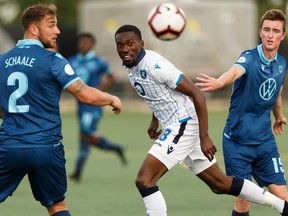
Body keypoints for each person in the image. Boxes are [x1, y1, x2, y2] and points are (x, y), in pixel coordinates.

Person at [114, 24, 288, 216]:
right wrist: (155, 120)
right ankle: (281, 205)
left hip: (183, 124)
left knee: (144, 180)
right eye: (120, 45)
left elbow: (197, 94)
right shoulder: (132, 67)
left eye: (130, 44)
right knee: (219, 184)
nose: (125, 49)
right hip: (178, 125)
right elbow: (158, 94)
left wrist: (204, 136)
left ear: (141, 43)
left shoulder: (155, 65)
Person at [0, 4, 122, 216]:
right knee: (57, 207)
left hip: (9, 146)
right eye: (52, 25)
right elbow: (85, 95)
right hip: (46, 147)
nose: (57, 31)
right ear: (34, 29)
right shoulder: (52, 59)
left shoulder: (2, 61)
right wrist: (111, 98)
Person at [195, 9, 288, 216]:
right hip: (237, 143)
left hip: (265, 143)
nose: (270, 35)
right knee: (244, 203)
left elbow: (277, 92)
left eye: (275, 31)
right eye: (266, 30)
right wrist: (219, 81)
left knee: (283, 197)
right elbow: (235, 71)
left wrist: (278, 115)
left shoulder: (281, 64)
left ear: (283, 35)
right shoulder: (249, 58)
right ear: (260, 32)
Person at [67, 33, 126, 182]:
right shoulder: (72, 61)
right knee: (84, 136)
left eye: (86, 43)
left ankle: (78, 171)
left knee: (86, 132)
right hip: (80, 105)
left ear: (92, 45)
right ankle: (115, 148)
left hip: (93, 106)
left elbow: (111, 77)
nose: (83, 45)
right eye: (81, 43)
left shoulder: (99, 61)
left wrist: (99, 90)